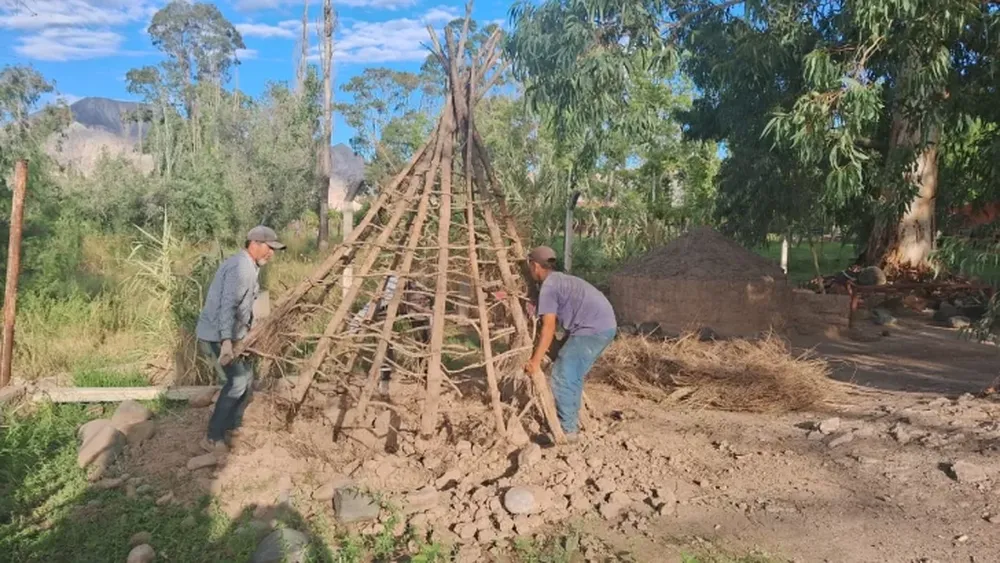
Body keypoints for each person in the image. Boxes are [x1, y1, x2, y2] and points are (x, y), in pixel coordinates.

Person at [196, 226, 285, 452]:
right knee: (236, 381)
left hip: (234, 333)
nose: (271, 254)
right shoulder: (241, 268)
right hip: (218, 334)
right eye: (269, 248)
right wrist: (226, 341)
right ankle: (212, 436)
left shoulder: (250, 266)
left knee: (246, 377)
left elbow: (248, 303)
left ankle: (232, 426)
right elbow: (228, 306)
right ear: (254, 244)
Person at [523, 246, 617, 442]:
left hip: (593, 329)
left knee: (563, 374)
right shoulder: (558, 280)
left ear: (535, 266)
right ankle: (571, 422)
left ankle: (568, 431)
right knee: (571, 372)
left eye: (530, 266)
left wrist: (535, 361)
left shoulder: (549, 287)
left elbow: (549, 327)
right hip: (603, 324)